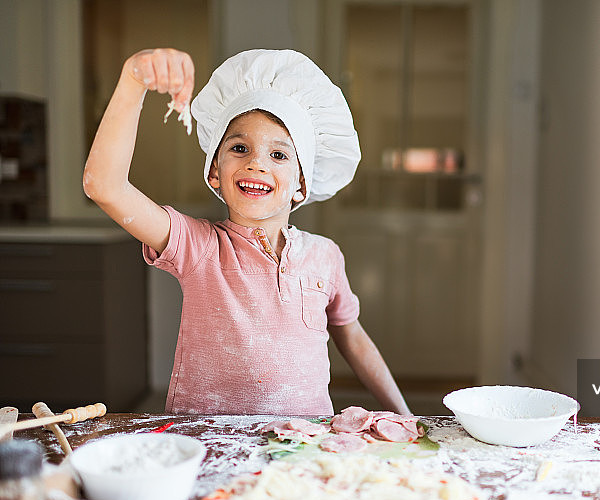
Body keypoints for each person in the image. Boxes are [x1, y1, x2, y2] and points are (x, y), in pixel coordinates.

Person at [83, 48, 411, 416]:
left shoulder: (325, 256)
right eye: (240, 148)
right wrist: (133, 79)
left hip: (304, 446)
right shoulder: (199, 248)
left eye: (279, 155)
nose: (256, 163)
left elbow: (353, 338)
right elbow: (105, 187)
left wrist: (405, 415)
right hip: (208, 443)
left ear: (302, 184)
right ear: (215, 173)